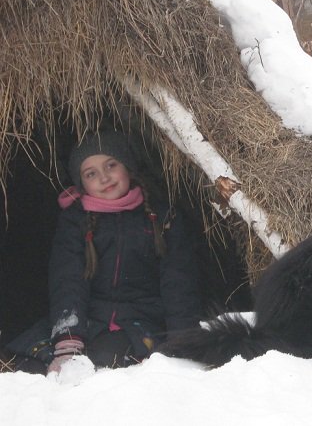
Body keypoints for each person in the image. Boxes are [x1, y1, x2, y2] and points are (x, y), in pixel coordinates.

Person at [6, 130, 201, 374]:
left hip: (140, 320)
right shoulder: (75, 221)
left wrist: (184, 340)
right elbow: (68, 280)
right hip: (89, 319)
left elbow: (178, 282)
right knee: (28, 362)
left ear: (128, 167)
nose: (104, 177)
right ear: (82, 183)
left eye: (111, 165)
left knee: (106, 358)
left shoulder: (161, 217)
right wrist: (68, 338)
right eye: (91, 173)